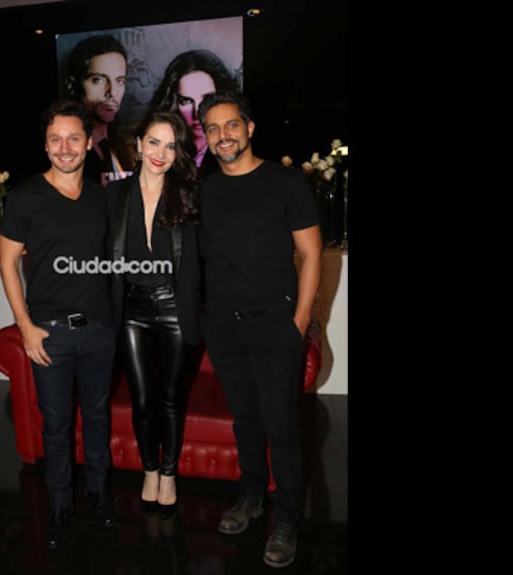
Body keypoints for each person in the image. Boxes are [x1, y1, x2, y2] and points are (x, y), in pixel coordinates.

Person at [197, 91, 322, 569]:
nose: (223, 136)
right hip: (223, 326)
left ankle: (287, 518)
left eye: (231, 125)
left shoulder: (284, 181)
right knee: (245, 420)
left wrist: (299, 321)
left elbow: (311, 253)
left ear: (249, 128)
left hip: (276, 325)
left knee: (281, 424)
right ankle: (250, 497)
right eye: (213, 128)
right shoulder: (206, 189)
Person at [0, 99, 117, 551]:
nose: (64, 148)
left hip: (100, 329)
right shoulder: (25, 197)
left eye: (73, 138)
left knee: (99, 417)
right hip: (50, 333)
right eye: (55, 139)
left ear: (88, 143)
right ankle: (60, 506)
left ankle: (99, 495)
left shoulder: (103, 197)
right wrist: (25, 327)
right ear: (45, 145)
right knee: (56, 424)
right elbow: (8, 264)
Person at [104, 110, 202, 515]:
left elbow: (212, 254)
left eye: (171, 145)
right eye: (154, 142)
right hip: (131, 308)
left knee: (171, 397)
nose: (161, 152)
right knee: (143, 399)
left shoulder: (190, 195)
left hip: (176, 307)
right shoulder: (113, 196)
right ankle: (149, 470)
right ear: (139, 145)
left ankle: (169, 473)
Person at [147, 49, 240, 169]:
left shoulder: (237, 150)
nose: (197, 112)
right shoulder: (158, 149)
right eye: (186, 101)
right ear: (173, 104)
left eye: (207, 99)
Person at [65, 34, 135, 187]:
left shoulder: (122, 145)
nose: (112, 92)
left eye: (120, 81)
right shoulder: (65, 149)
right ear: (72, 85)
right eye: (98, 80)